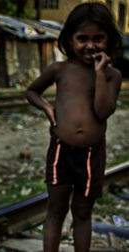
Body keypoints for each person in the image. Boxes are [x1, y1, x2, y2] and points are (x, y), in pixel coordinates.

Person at [26, 3, 122, 252]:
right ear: (69, 40)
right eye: (82, 39)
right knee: (55, 209)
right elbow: (32, 91)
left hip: (91, 154)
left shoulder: (112, 76)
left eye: (98, 38)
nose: (90, 45)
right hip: (60, 150)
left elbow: (103, 111)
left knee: (82, 212)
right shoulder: (60, 70)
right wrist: (47, 108)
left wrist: (100, 73)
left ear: (109, 40)